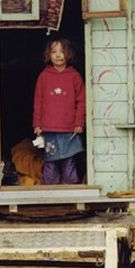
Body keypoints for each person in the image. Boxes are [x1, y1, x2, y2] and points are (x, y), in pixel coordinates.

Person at [33, 38, 85, 184]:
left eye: (62, 51)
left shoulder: (74, 76)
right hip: (49, 129)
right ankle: (49, 191)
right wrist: (37, 124)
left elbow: (81, 101)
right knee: (50, 163)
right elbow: (38, 101)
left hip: (70, 130)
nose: (58, 55)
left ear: (68, 54)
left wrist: (79, 122)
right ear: (48, 55)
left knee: (69, 162)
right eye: (54, 52)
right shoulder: (44, 76)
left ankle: (71, 190)